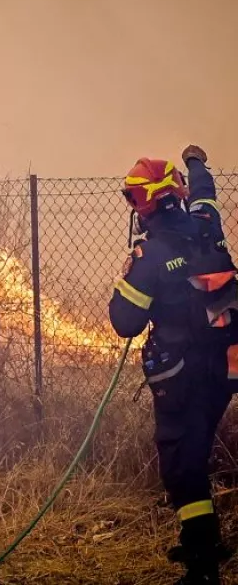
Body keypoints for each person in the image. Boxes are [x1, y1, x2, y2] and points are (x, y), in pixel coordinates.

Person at [109, 145, 238, 584]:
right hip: (225, 369)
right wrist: (195, 162)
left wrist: (128, 276)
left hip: (182, 377)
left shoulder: (150, 256)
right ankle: (207, 548)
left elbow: (125, 322)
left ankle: (202, 566)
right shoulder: (207, 225)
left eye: (133, 197)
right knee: (196, 452)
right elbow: (206, 193)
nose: (133, 206)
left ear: (145, 202)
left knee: (182, 465)